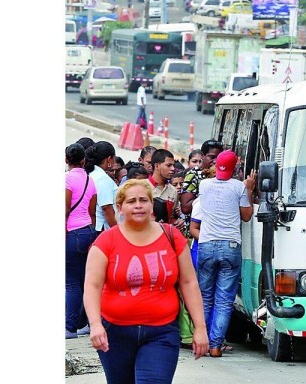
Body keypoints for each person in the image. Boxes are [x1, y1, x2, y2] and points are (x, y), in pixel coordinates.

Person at [83, 179, 209, 383]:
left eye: (144, 200)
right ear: (120, 207)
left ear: (152, 205)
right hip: (115, 333)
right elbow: (92, 286)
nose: (138, 205)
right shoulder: (106, 241)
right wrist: (95, 324)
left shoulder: (171, 236)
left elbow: (189, 282)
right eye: (131, 201)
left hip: (161, 333)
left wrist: (200, 328)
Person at [196, 150, 256, 357]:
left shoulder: (204, 185)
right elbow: (247, 216)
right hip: (230, 246)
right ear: (236, 168)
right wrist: (249, 189)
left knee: (204, 298)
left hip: (206, 244)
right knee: (223, 300)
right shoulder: (238, 187)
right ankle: (215, 346)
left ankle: (201, 343)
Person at [65, 143, 98, 339]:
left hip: (72, 232)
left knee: (71, 283)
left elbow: (65, 210)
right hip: (87, 231)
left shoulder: (67, 179)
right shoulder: (90, 180)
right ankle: (84, 323)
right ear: (84, 161)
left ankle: (69, 327)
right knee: (84, 281)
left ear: (67, 160)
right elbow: (92, 212)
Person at [180, 140, 224, 236]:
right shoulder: (193, 175)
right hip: (196, 232)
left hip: (217, 232)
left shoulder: (222, 175)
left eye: (218, 157)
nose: (215, 161)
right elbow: (186, 207)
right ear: (203, 156)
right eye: (211, 157)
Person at [85, 141, 118, 235]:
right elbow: (107, 208)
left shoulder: (91, 173)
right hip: (101, 228)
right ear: (109, 159)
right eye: (114, 158)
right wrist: (117, 232)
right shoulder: (103, 179)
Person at [148, 149, 183, 231]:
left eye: (173, 165)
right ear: (157, 166)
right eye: (169, 165)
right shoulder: (141, 187)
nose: (173, 169)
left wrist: (177, 222)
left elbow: (172, 217)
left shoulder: (173, 191)